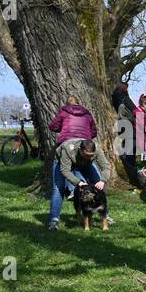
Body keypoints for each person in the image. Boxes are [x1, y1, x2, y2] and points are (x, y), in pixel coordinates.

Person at [46, 95, 99, 230]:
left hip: (66, 148)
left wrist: (63, 130)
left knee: (57, 189)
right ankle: (107, 215)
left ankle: (54, 220)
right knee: (97, 183)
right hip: (84, 149)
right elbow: (94, 132)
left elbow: (52, 126)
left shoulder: (63, 112)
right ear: (79, 104)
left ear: (67, 104)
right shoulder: (87, 114)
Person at [49, 139, 109, 231]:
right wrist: (78, 182)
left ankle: (104, 214)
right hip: (62, 163)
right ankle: (54, 220)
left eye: (91, 155)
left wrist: (102, 180)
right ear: (80, 150)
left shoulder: (96, 149)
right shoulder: (67, 149)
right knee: (58, 188)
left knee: (98, 185)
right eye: (86, 155)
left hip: (85, 164)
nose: (89, 157)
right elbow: (65, 170)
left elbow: (105, 166)